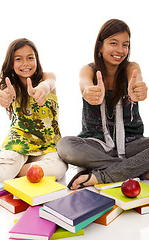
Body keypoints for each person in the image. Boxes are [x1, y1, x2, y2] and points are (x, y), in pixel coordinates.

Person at [57, 19, 148, 190]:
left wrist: (139, 89)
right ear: (100, 46)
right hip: (96, 144)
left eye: (125, 45)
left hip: (131, 143)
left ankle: (102, 175)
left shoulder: (131, 68)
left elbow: (137, 79)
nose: (120, 50)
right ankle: (137, 169)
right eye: (113, 43)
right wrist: (88, 92)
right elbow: (84, 83)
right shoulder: (88, 70)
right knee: (64, 145)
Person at [0, 38, 67, 182]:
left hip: (47, 143)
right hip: (20, 140)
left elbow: (49, 83)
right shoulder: (12, 86)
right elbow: (7, 95)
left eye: (30, 58)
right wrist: (5, 97)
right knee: (2, 174)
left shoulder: (47, 76)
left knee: (58, 169)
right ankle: (10, 168)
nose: (25, 63)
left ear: (37, 59)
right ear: (11, 64)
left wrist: (41, 90)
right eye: (18, 59)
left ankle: (16, 170)